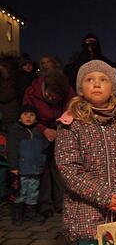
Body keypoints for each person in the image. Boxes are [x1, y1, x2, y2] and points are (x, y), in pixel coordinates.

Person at [55, 60, 116, 244]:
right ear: (80, 87)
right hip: (86, 216)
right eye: (89, 79)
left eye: (103, 79)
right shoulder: (71, 124)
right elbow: (69, 169)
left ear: (112, 87)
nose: (96, 84)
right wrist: (104, 196)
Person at [23, 70, 75, 217]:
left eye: (56, 97)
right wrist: (44, 129)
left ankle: (62, 204)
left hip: (61, 130)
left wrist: (61, 128)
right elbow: (27, 116)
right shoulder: (32, 92)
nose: (52, 99)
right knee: (43, 170)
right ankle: (45, 205)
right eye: (50, 95)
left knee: (60, 168)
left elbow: (71, 111)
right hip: (39, 131)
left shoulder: (68, 92)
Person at [7, 104, 47, 225]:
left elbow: (43, 148)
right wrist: (14, 167)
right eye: (25, 115)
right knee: (20, 192)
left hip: (35, 169)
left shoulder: (37, 132)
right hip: (21, 169)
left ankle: (31, 213)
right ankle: (18, 215)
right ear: (20, 117)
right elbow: (12, 150)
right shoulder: (15, 131)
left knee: (33, 191)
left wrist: (42, 161)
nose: (28, 117)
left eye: (31, 115)